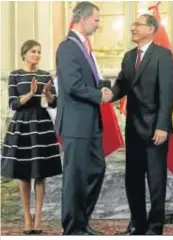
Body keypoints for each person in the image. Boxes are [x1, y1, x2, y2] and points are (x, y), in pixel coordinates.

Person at [109, 14, 173, 235]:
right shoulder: (128, 57)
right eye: (133, 24)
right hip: (134, 128)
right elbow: (120, 86)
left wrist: (162, 126)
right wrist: (104, 94)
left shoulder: (163, 55)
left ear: (150, 29)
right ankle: (137, 224)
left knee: (156, 181)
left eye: (137, 25)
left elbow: (167, 93)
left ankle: (155, 227)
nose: (132, 28)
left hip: (156, 129)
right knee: (133, 179)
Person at [55, 2, 112, 235]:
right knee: (75, 176)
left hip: (90, 122)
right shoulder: (68, 47)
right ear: (84, 19)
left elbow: (89, 80)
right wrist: (99, 95)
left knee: (96, 169)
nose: (98, 25)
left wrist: (107, 89)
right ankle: (72, 228)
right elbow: (72, 85)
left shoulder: (84, 47)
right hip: (75, 123)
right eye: (96, 20)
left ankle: (81, 222)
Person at [1, 40, 62, 235]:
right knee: (24, 175)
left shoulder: (45, 75)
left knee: (40, 174)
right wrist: (30, 93)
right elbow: (13, 104)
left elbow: (53, 103)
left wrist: (46, 94)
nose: (37, 55)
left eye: (39, 52)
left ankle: (38, 220)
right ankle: (27, 218)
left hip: (41, 124)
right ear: (25, 53)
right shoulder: (15, 75)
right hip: (22, 125)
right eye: (33, 51)